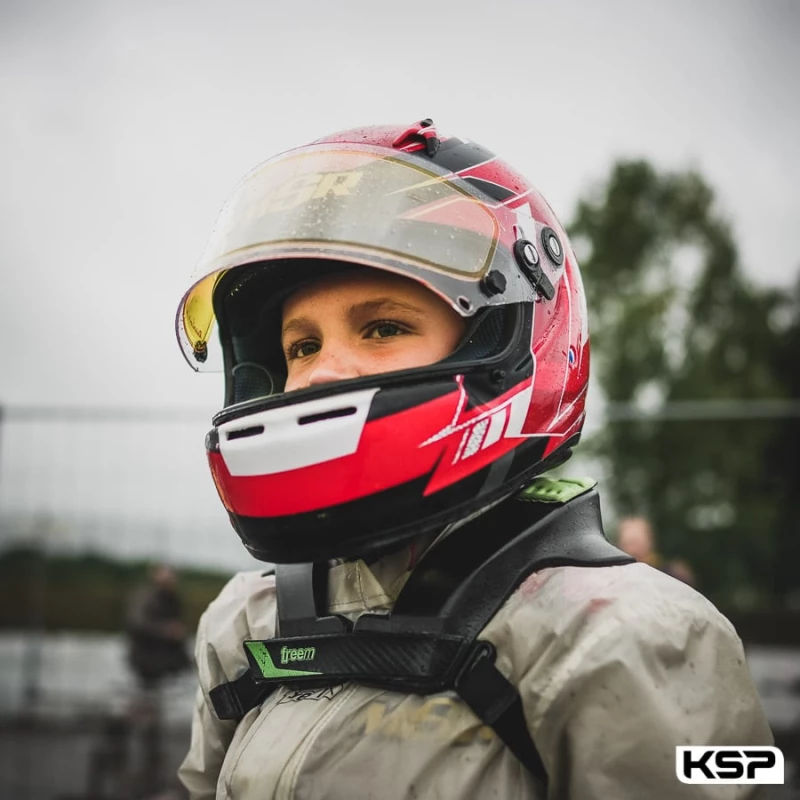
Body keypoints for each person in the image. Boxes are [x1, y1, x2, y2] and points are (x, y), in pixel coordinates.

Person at [174, 120, 772, 799]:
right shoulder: (245, 624)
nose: (321, 372)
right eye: (302, 346)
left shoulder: (633, 634)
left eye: (383, 328)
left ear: (500, 341)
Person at [617, 515, 697, 586]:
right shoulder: (616, 577)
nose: (633, 550)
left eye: (637, 542)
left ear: (650, 542)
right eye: (628, 543)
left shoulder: (671, 575)